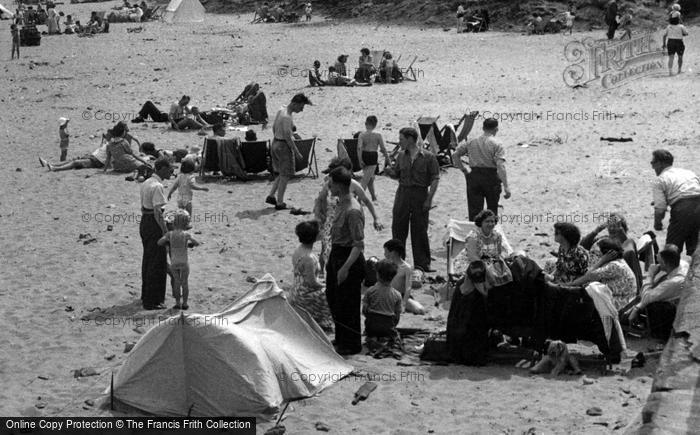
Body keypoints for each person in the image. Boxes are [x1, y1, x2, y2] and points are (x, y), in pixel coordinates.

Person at [314, 156, 383, 273]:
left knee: (349, 245)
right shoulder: (329, 181)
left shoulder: (353, 184)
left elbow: (366, 200)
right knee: (326, 247)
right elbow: (320, 200)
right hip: (330, 219)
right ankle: (323, 273)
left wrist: (376, 218)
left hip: (348, 219)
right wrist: (319, 216)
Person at [385, 127, 440, 272]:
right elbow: (396, 174)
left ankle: (422, 264)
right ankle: (397, 261)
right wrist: (389, 172)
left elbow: (435, 179)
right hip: (402, 194)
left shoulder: (429, 157)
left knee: (420, 229)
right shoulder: (401, 156)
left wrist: (429, 199)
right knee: (398, 228)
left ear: (410, 139)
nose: (399, 142)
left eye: (401, 139)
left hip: (420, 194)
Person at [325, 166, 366, 355]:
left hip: (349, 258)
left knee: (348, 304)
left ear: (340, 186)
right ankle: (341, 338)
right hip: (337, 254)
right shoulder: (339, 203)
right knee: (334, 299)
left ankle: (350, 344)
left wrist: (345, 268)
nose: (329, 186)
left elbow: (358, 245)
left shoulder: (353, 210)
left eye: (331, 183)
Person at [452, 115, 511, 221]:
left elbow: (455, 155)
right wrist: (506, 186)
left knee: (474, 211)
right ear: (496, 129)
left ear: (483, 128)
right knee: (492, 209)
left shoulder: (471, 141)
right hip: (491, 177)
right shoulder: (497, 144)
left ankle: (476, 234)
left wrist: (464, 169)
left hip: (474, 176)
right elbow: (500, 166)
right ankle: (490, 234)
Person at [625, 244, 689, 338]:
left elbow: (647, 296)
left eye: (658, 260)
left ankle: (660, 335)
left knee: (655, 306)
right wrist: (638, 307)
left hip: (679, 315)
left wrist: (650, 275)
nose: (656, 261)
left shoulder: (674, 282)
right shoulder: (682, 264)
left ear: (665, 263)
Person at [265, 93, 312, 210]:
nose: (301, 110)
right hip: (283, 146)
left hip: (275, 142)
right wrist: (296, 151)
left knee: (281, 173)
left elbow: (274, 127)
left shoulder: (282, 109)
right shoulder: (287, 117)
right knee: (285, 175)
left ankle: (271, 195)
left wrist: (276, 138)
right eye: (301, 107)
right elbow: (287, 136)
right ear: (295, 104)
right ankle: (280, 202)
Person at [650, 149, 700, 255]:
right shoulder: (688, 172)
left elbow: (660, 209)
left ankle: (671, 270)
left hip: (683, 209)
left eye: (653, 163)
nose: (652, 166)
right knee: (695, 248)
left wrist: (657, 224)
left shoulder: (660, 180)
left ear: (660, 163)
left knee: (671, 249)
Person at [288, 220, 334, 332]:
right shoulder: (309, 258)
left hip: (297, 288)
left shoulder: (299, 249)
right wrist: (326, 285)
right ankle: (321, 321)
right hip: (304, 294)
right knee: (333, 294)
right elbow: (312, 283)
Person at [140, 157, 173, 310]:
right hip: (154, 224)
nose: (171, 171)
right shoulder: (158, 186)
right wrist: (165, 231)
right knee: (157, 262)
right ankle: (152, 300)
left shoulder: (147, 182)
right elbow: (158, 212)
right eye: (168, 169)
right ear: (160, 169)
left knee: (148, 259)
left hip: (145, 222)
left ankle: (146, 295)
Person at [570, 238, 637, 309]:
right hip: (625, 301)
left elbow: (588, 276)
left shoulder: (614, 266)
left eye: (597, 253)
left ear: (607, 253)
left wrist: (569, 285)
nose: (597, 256)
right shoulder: (620, 262)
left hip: (620, 305)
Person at [158, 210, 199, 310]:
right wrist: (190, 243)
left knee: (176, 282)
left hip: (174, 262)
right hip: (184, 262)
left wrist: (167, 243)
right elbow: (196, 243)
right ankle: (185, 303)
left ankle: (177, 303)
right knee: (184, 283)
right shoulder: (186, 234)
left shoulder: (170, 234)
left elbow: (159, 242)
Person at [464, 209, 514, 287]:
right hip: (476, 265)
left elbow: (500, 252)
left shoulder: (497, 236)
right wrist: (488, 266)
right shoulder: (473, 237)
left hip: (492, 263)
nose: (490, 224)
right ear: (481, 222)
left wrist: (498, 261)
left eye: (492, 221)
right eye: (487, 221)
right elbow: (472, 257)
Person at [362, 260, 402, 339]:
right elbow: (397, 316)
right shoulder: (397, 295)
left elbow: (364, 311)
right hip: (388, 328)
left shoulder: (370, 291)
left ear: (378, 275)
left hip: (371, 327)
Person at [384, 239, 425, 314]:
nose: (384, 254)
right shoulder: (385, 264)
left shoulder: (407, 268)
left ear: (393, 252)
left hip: (400, 296)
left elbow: (408, 288)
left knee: (420, 310)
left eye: (386, 251)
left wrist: (403, 304)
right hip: (386, 295)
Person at [358, 115, 390, 201]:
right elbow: (383, 148)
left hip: (364, 155)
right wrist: (388, 159)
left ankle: (373, 197)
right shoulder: (378, 135)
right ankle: (358, 199)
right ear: (375, 125)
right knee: (365, 179)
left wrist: (360, 159)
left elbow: (359, 148)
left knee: (370, 178)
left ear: (365, 124)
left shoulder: (362, 135)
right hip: (372, 156)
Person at [40, 142, 107, 171]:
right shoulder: (108, 143)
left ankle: (55, 168)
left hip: (97, 161)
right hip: (93, 156)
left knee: (75, 162)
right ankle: (49, 164)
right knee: (72, 160)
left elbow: (111, 158)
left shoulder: (111, 145)